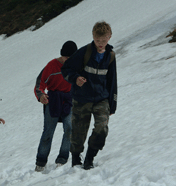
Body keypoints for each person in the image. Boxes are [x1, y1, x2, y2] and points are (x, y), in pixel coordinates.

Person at [61, 21, 117, 170]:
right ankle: (75, 158)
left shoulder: (110, 56)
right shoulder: (84, 52)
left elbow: (112, 81)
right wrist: (76, 78)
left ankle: (90, 157)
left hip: (102, 99)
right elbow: (66, 69)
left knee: (102, 127)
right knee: (79, 130)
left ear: (109, 37)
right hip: (82, 99)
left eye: (104, 40)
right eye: (98, 40)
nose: (100, 43)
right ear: (93, 36)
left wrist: (113, 104)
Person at [34, 41, 78, 172]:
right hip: (52, 101)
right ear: (62, 55)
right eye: (66, 58)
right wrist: (41, 95)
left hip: (69, 100)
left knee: (69, 128)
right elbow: (39, 84)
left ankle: (62, 159)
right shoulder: (51, 66)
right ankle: (40, 163)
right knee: (48, 132)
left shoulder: (76, 66)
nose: (68, 61)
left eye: (70, 59)